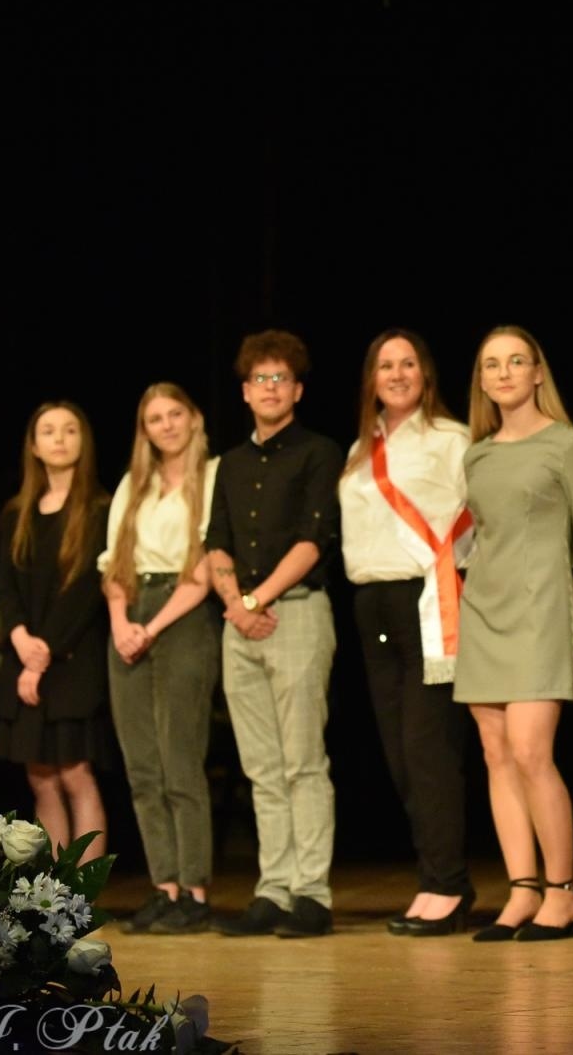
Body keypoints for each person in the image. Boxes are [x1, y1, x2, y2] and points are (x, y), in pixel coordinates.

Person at [455, 325, 573, 942]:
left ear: (538, 371)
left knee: (530, 752)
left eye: (517, 361)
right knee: (496, 756)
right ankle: (522, 889)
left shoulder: (568, 443)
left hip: (544, 614)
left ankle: (563, 892)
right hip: (484, 614)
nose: (505, 372)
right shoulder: (478, 453)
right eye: (493, 364)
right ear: (483, 380)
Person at [205, 330, 344, 938]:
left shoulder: (319, 451)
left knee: (302, 763)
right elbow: (216, 543)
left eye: (280, 378)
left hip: (298, 613)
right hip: (241, 623)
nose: (270, 388)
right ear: (244, 390)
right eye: (260, 379)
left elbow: (314, 540)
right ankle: (273, 888)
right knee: (261, 767)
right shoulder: (229, 464)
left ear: (298, 389)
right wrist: (237, 606)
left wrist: (259, 599)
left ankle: (310, 892)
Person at [339, 329, 477, 936]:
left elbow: (479, 515)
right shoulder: (357, 450)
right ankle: (435, 875)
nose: (396, 374)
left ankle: (448, 882)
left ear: (426, 373)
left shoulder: (452, 439)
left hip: (432, 599)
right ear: (370, 378)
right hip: (374, 607)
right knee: (398, 753)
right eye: (384, 366)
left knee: (430, 750)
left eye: (408, 364)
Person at [100, 383, 221, 934]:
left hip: (181, 615)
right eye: (155, 418)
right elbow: (115, 562)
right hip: (131, 614)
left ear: (194, 419)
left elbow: (202, 571)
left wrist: (152, 625)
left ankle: (194, 889)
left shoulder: (212, 476)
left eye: (176, 414)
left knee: (179, 759)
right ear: (144, 430)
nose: (167, 425)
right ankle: (163, 886)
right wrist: (124, 623)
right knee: (142, 765)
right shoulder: (135, 483)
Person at [0, 401, 113, 865]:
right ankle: (59, 891)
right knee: (41, 777)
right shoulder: (14, 514)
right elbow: (5, 584)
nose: (59, 439)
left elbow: (87, 587)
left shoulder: (100, 509)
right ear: (34, 445)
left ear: (82, 442)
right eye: (48, 431)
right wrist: (22, 641)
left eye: (69, 430)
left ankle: (86, 886)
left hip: (73, 660)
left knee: (75, 773)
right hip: (24, 658)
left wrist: (43, 653)